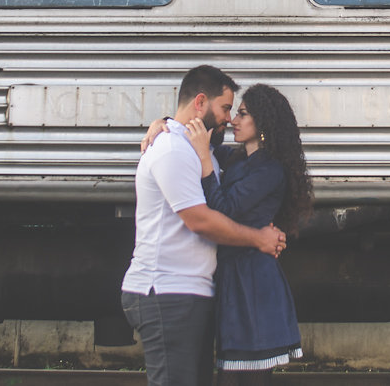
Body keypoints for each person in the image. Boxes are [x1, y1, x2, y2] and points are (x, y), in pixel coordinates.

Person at [121, 66, 286, 386]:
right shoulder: (172, 149)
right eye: (226, 108)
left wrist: (163, 121)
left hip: (189, 291)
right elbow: (201, 220)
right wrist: (258, 239)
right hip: (166, 290)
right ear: (200, 102)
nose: (229, 118)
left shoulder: (201, 149)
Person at [150, 83, 313, 386]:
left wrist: (203, 160)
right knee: (230, 375)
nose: (233, 121)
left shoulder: (269, 170)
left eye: (243, 114)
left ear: (263, 122)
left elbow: (223, 209)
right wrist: (161, 124)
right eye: (234, 113)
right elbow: (193, 138)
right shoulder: (238, 158)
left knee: (241, 378)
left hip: (252, 285)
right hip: (234, 279)